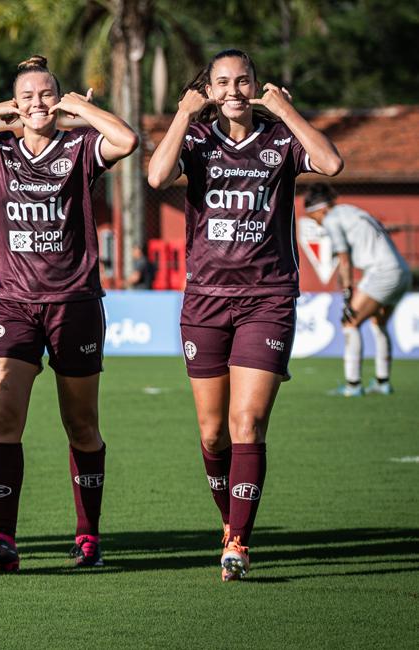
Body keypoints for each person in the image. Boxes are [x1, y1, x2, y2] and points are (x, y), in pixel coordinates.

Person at [0, 55, 139, 571]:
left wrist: (82, 107)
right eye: (28, 96)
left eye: (47, 94)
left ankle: (88, 536)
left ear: (59, 100)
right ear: (16, 103)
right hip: (12, 304)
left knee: (81, 424)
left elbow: (126, 142)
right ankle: (4, 538)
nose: (39, 104)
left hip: (75, 302)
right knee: (5, 414)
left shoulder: (80, 146)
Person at [148, 49, 343, 581]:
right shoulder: (195, 139)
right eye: (223, 83)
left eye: (243, 81)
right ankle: (230, 521)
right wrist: (183, 114)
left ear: (257, 85)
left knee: (247, 424)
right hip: (205, 300)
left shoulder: (280, 140)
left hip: (269, 298)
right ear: (209, 90)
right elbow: (156, 177)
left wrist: (286, 112)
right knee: (213, 435)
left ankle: (237, 540)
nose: (234, 90)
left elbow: (331, 164)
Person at [302, 183, 411, 396]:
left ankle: (353, 385)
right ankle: (383, 382)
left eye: (316, 218)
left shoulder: (333, 219)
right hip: (402, 272)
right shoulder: (353, 211)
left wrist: (347, 292)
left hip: (382, 273)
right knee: (378, 322)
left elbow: (344, 260)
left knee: (349, 322)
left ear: (321, 209)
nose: (319, 224)